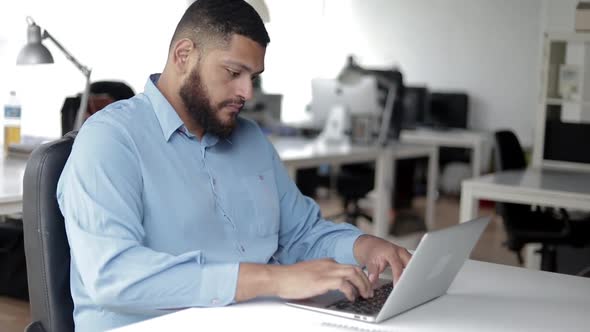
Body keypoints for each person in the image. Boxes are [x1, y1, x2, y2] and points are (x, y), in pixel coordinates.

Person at [57, 0, 412, 331]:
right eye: (233, 72)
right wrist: (273, 279)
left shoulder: (251, 139)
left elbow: (300, 233)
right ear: (184, 55)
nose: (247, 93)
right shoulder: (111, 139)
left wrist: (363, 246)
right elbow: (113, 274)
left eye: (252, 77)